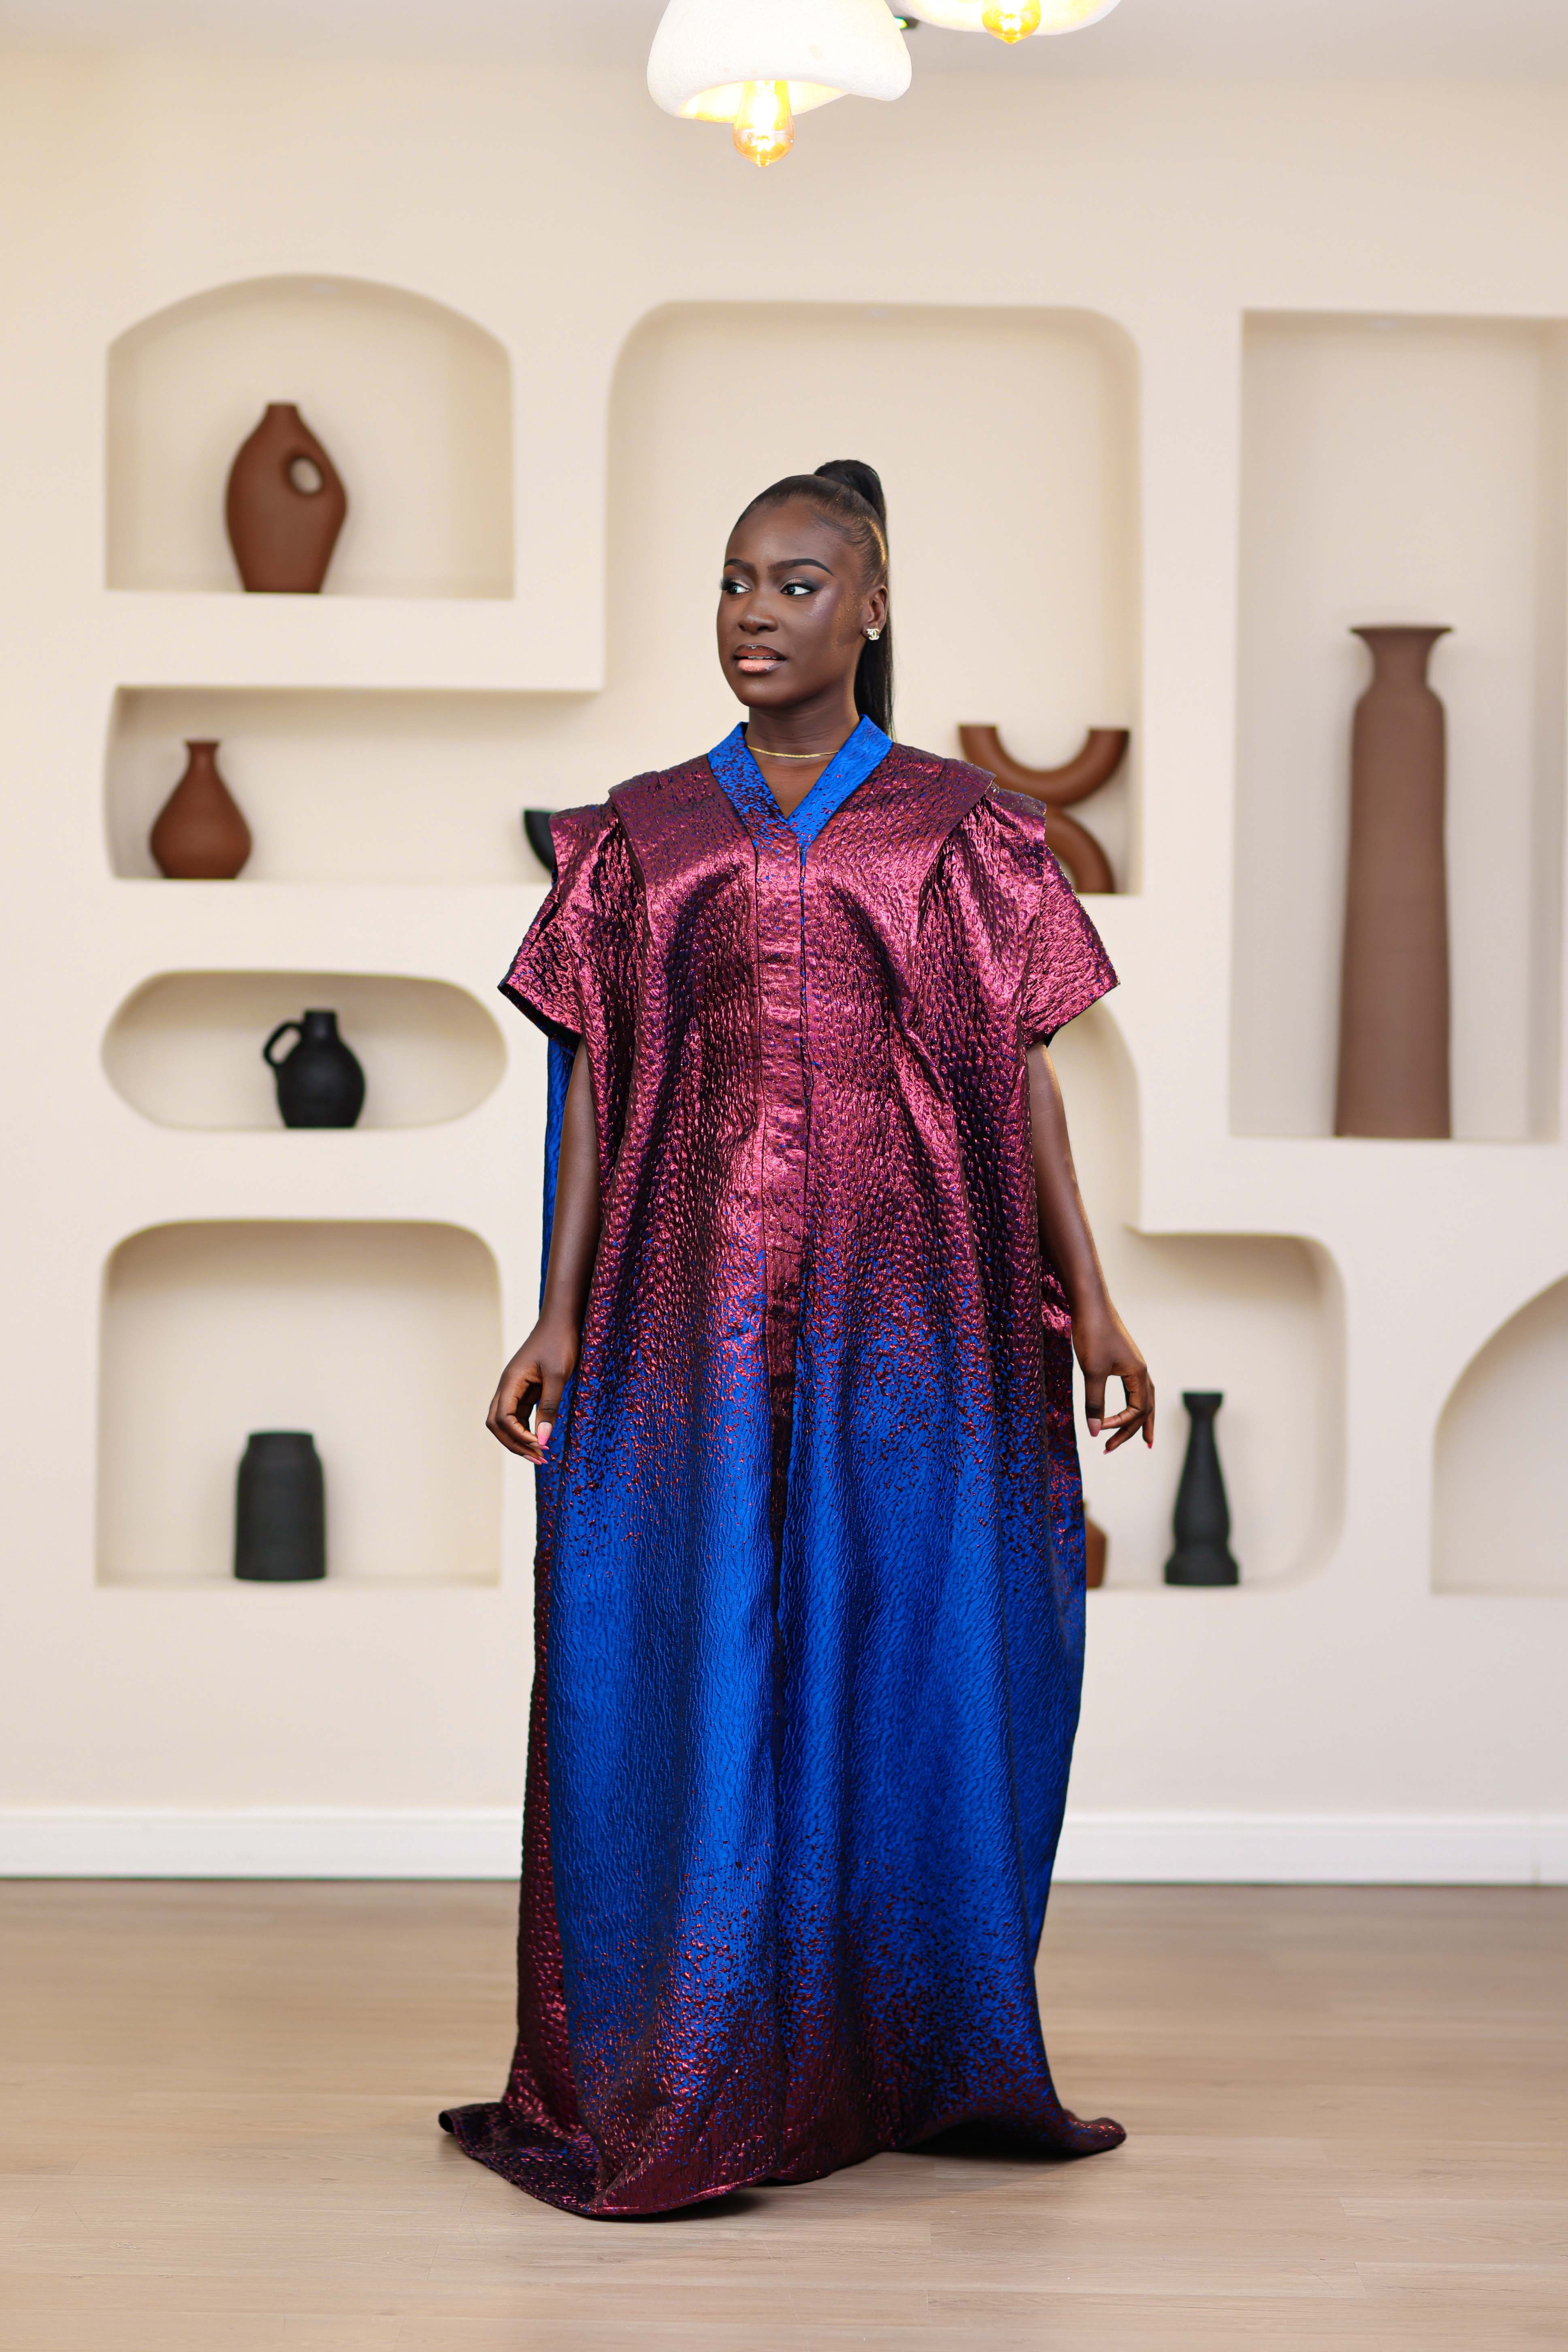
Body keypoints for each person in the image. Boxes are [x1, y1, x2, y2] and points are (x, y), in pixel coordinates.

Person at [440, 460, 1154, 2219]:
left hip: (914, 1327)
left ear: (872, 608)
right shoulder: (637, 837)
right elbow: (594, 1085)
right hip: (681, 1324)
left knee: (903, 1647)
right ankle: (686, 2056)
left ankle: (897, 2048)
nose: (756, 613)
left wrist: (1091, 1299)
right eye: (735, 581)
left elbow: (1026, 1081)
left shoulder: (965, 831)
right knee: (683, 1652)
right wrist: (558, 1312)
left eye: (797, 583)